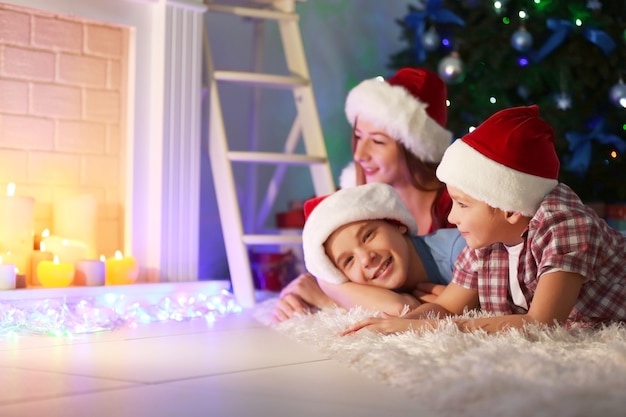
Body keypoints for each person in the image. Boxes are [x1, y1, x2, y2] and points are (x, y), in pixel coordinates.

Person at [341, 105, 626, 336]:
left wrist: (427, 327)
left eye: (462, 204)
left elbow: (541, 323)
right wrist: (402, 326)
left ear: (510, 210)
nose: (451, 217)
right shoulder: (484, 241)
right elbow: (448, 306)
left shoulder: (565, 227)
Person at [271, 67, 456, 322]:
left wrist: (332, 298)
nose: (360, 155)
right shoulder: (350, 208)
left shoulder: (457, 209)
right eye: (358, 137)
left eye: (378, 142)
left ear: (415, 148)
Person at [269, 182, 466, 324]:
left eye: (368, 236)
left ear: (397, 224)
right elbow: (399, 307)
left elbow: (402, 311)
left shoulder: (459, 250)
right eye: (348, 261)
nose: (365, 259)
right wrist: (327, 283)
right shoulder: (375, 283)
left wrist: (328, 294)